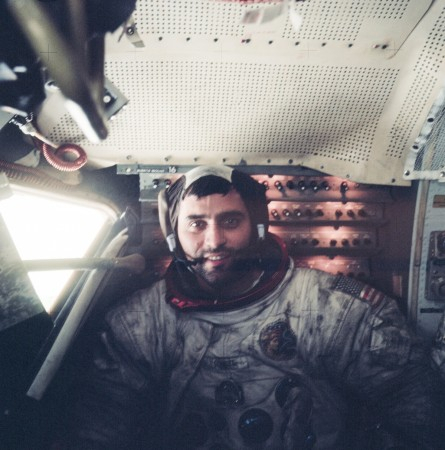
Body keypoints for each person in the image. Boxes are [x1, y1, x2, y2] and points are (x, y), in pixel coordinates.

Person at [67, 165, 442, 449]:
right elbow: (100, 428)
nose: (214, 241)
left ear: (258, 226)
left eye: (231, 221)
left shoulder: (334, 308)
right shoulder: (138, 324)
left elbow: (414, 409)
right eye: (196, 224)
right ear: (172, 234)